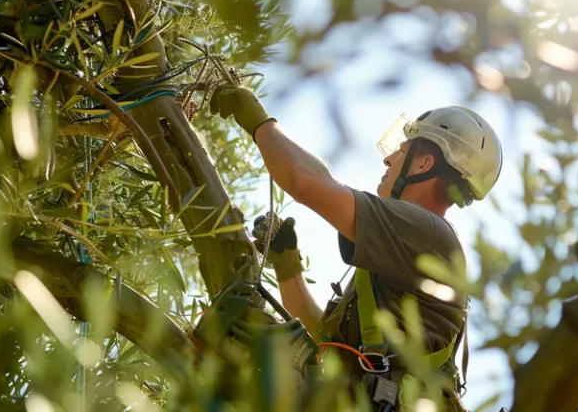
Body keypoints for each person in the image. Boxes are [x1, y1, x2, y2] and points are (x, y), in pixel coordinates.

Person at [209, 84, 503, 411]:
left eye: (402, 151)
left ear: (424, 164)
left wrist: (259, 124)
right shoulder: (401, 251)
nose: (389, 159)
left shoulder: (429, 233)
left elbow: (305, 181)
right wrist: (287, 266)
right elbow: (325, 342)